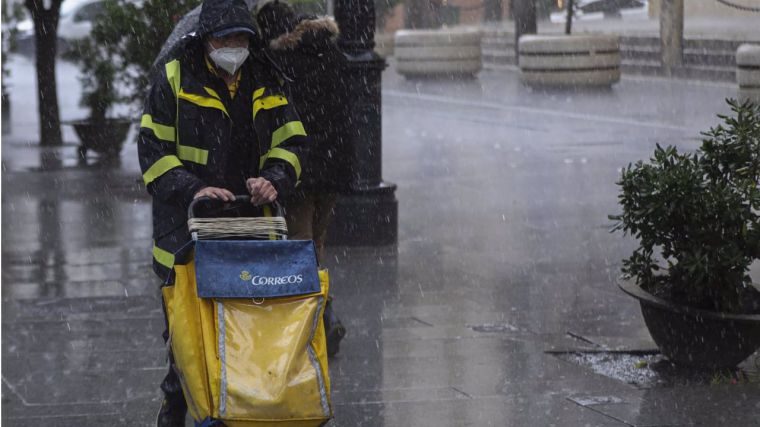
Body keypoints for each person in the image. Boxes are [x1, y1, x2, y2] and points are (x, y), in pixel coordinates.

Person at [137, 0, 307, 425]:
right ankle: (177, 414)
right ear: (205, 40)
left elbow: (293, 142)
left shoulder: (267, 76)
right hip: (187, 236)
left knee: (251, 340)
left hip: (252, 230)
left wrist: (275, 178)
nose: (234, 47)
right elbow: (152, 151)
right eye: (225, 38)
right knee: (187, 347)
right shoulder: (175, 77)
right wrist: (194, 188)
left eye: (241, 38)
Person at [255, 0, 351, 357]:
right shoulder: (330, 49)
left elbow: (285, 123)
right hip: (333, 168)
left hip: (299, 171)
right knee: (316, 245)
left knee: (299, 249)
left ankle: (321, 320)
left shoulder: (280, 62)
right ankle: (322, 316)